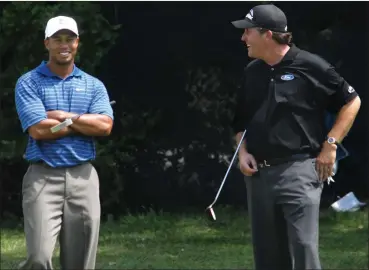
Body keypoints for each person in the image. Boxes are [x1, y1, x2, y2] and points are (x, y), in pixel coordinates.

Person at [231, 4, 361, 270]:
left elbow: (352, 101)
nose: (243, 38)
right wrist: (242, 152)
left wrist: (331, 145)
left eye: (248, 32)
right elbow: (240, 122)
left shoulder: (311, 65)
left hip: (300, 170)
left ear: (267, 34)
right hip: (258, 177)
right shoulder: (252, 73)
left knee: (303, 248)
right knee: (267, 257)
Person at [15, 16, 114, 269]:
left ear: (77, 42)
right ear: (46, 43)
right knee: (38, 257)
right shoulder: (29, 82)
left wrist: (63, 118)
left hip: (83, 178)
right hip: (43, 176)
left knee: (80, 262)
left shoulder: (93, 85)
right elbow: (38, 129)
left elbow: (104, 126)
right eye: (57, 39)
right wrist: (82, 123)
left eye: (69, 39)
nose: (64, 44)